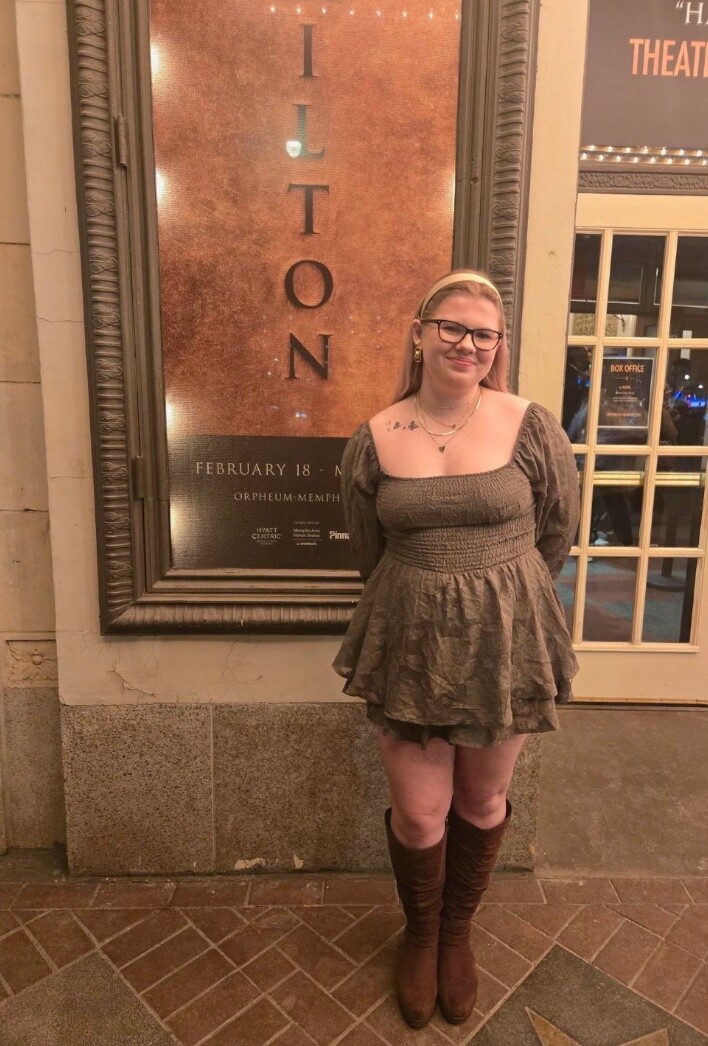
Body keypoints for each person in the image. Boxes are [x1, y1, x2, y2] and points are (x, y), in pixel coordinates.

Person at [333, 270, 580, 1029]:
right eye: (452, 327)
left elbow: (557, 532)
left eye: (484, 333)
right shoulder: (376, 435)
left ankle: (456, 933)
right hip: (408, 641)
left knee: (480, 800)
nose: (467, 343)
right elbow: (368, 550)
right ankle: (420, 932)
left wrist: (502, 595)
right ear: (419, 333)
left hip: (504, 642)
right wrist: (424, 597)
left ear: (498, 346)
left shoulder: (529, 425)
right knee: (419, 813)